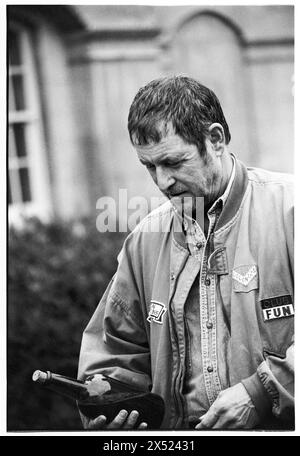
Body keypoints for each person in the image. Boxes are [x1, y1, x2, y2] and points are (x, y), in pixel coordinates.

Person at [78, 76, 294, 430]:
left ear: (216, 139)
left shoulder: (290, 211)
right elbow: (114, 352)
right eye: (150, 166)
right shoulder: (143, 241)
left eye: (174, 162)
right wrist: (110, 406)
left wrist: (261, 392)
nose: (162, 182)